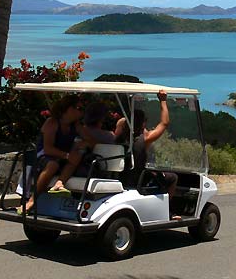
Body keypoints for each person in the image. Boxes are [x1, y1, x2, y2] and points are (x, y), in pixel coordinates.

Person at [19, 95, 84, 214]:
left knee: (76, 157)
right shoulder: (52, 123)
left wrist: (83, 144)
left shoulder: (76, 126)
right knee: (53, 165)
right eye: (79, 108)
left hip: (61, 156)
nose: (81, 112)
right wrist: (68, 155)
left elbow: (90, 138)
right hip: (43, 156)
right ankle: (32, 200)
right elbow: (48, 149)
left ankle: (59, 183)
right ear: (69, 109)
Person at [47, 101, 127, 196]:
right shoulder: (108, 136)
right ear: (102, 117)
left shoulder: (78, 130)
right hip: (89, 169)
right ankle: (60, 182)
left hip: (68, 167)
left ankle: (60, 181)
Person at [126, 90, 180, 219]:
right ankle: (167, 210)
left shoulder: (119, 135)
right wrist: (162, 101)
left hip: (123, 176)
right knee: (172, 177)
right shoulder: (145, 138)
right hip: (139, 177)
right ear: (143, 123)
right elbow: (164, 123)